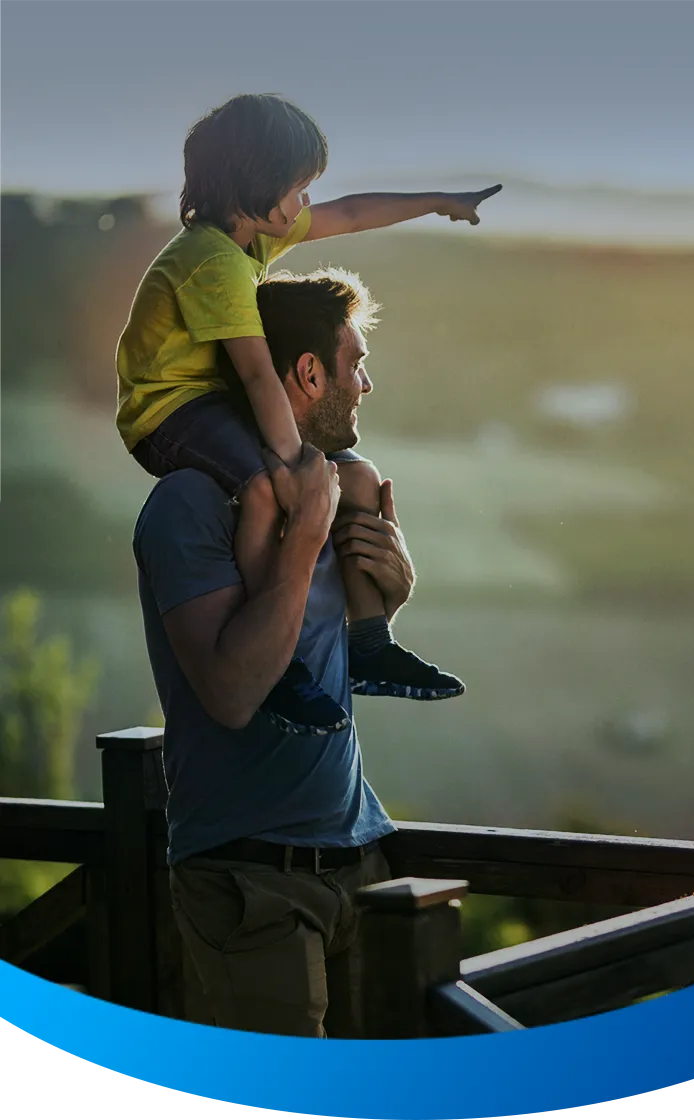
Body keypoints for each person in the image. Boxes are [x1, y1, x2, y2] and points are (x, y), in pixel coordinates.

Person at [119, 93, 500, 735]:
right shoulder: (212, 262)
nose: (306, 202)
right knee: (267, 485)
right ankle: (280, 662)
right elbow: (257, 375)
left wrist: (440, 200)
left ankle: (370, 644)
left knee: (355, 477)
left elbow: (350, 213)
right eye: (298, 189)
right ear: (256, 185)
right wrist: (297, 466)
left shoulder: (248, 240)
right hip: (168, 412)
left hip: (211, 399)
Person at [133, 267, 423, 1038]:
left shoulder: (332, 486)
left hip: (360, 860)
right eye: (355, 363)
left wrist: (390, 599)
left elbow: (322, 657)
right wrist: (303, 539)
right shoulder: (189, 504)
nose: (365, 384)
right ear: (308, 373)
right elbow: (233, 692)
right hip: (251, 880)